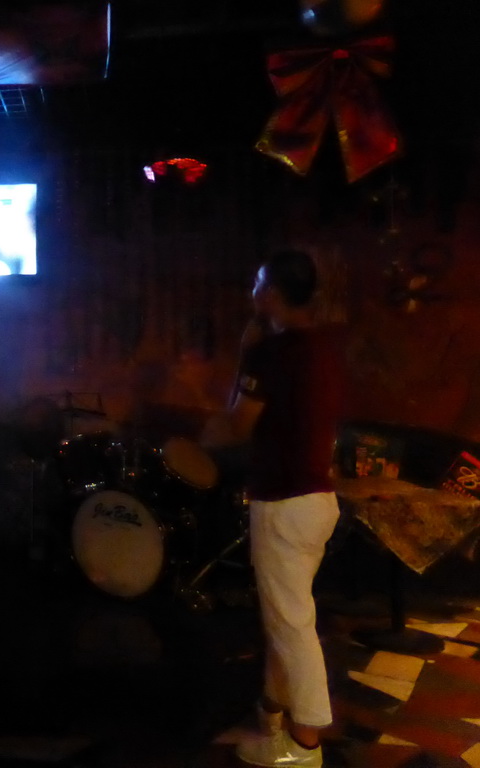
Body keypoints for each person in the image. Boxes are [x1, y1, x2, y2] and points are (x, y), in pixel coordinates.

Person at [201, 249, 345, 768]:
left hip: (284, 503)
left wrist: (209, 432)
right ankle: (272, 716)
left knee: (291, 624)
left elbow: (238, 425)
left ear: (276, 295)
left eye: (259, 283)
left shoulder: (273, 353)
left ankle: (306, 745)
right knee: (286, 617)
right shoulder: (321, 347)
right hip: (318, 501)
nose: (252, 292)